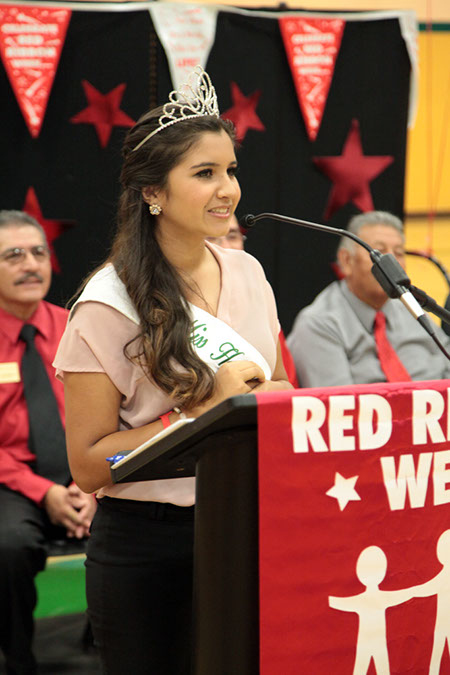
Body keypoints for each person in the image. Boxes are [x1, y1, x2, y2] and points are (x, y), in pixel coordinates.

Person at [53, 67, 292, 675]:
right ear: (152, 193)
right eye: (205, 173)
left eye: (231, 170)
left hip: (247, 527)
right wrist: (202, 414)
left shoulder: (248, 273)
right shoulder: (108, 304)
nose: (228, 190)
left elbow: (284, 388)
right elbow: (87, 463)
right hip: (149, 543)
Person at [0, 210, 96, 675]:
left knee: (138, 520)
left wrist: (92, 485)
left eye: (38, 252)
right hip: (12, 481)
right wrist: (46, 492)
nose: (30, 265)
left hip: (84, 472)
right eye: (13, 255)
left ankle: (103, 648)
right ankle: (17, 658)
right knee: (9, 545)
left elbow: (114, 415)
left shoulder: (77, 326)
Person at [287, 210, 450, 387]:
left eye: (399, 253)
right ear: (347, 260)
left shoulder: (411, 308)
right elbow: (340, 406)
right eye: (379, 253)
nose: (392, 263)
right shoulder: (319, 324)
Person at [208, 214, 299, 387]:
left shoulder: (257, 290)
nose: (226, 246)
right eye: (212, 238)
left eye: (232, 236)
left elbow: (289, 387)